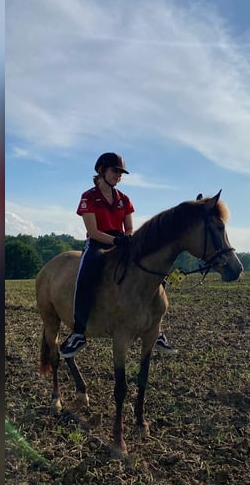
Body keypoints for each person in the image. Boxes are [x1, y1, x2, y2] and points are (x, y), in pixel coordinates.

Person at [59, 152, 177, 358]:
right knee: (86, 276)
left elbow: (129, 227)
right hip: (98, 244)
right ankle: (78, 332)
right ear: (102, 170)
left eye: (121, 173)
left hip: (123, 244)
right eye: (115, 171)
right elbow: (93, 231)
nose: (119, 176)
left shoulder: (124, 199)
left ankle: (156, 330)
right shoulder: (89, 197)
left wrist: (127, 239)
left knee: (155, 273)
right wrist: (115, 240)